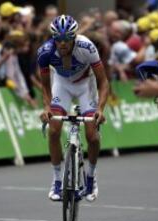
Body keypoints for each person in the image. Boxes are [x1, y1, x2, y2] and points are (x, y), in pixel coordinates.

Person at [37, 15, 109, 202]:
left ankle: (91, 178)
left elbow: (103, 82)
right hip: (62, 84)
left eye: (67, 39)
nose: (62, 44)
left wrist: (100, 109)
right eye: (58, 39)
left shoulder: (87, 47)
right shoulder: (45, 52)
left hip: (86, 84)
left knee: (92, 136)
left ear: (74, 37)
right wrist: (47, 107)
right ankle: (57, 180)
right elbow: (45, 85)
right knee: (53, 131)